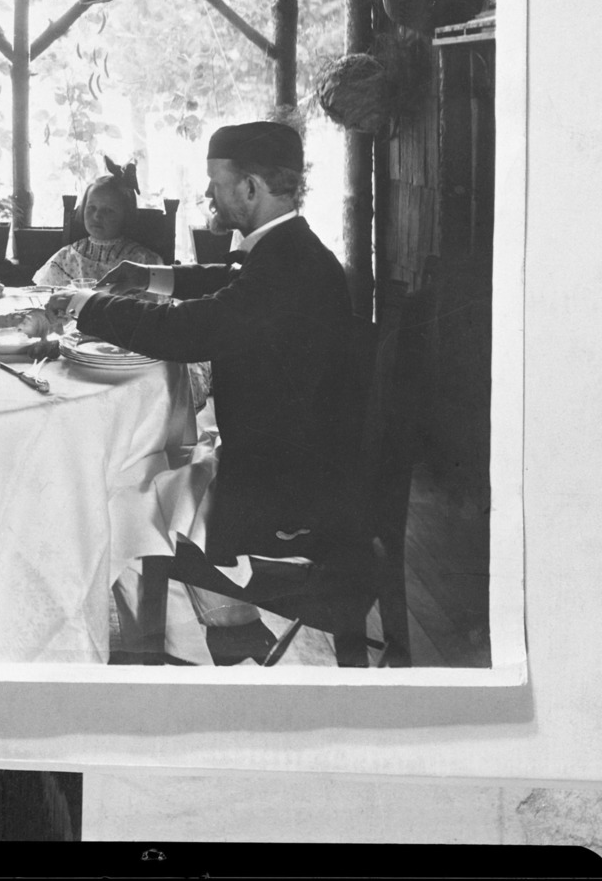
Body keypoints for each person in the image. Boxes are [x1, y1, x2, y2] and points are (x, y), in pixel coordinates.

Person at [33, 121, 374, 650]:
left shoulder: (287, 268)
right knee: (150, 466)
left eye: (215, 183)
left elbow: (189, 330)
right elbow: (229, 280)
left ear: (251, 189)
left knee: (128, 490)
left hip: (284, 495)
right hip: (297, 463)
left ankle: (135, 639)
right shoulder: (292, 251)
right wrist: (151, 277)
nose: (208, 194)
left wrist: (82, 305)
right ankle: (221, 630)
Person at [33, 162, 164, 288]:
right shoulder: (67, 257)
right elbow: (47, 296)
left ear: (126, 215)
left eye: (108, 211)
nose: (97, 216)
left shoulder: (141, 259)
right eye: (91, 208)